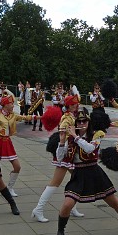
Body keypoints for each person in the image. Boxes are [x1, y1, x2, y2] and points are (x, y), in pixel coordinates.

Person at [54, 108, 118, 235]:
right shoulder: (71, 138)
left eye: (84, 120)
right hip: (79, 173)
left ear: (89, 122)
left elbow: (90, 149)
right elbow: (60, 158)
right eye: (79, 121)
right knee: (67, 204)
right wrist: (62, 141)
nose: (81, 123)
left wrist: (75, 136)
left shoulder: (97, 134)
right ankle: (60, 230)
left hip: (94, 172)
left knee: (113, 202)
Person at [31, 91, 85, 222]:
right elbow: (64, 134)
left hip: (71, 153)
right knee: (55, 183)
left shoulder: (72, 115)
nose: (76, 105)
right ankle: (38, 209)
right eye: (74, 104)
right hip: (65, 153)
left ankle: (72, 207)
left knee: (78, 179)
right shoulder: (67, 118)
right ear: (69, 105)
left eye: (76, 104)